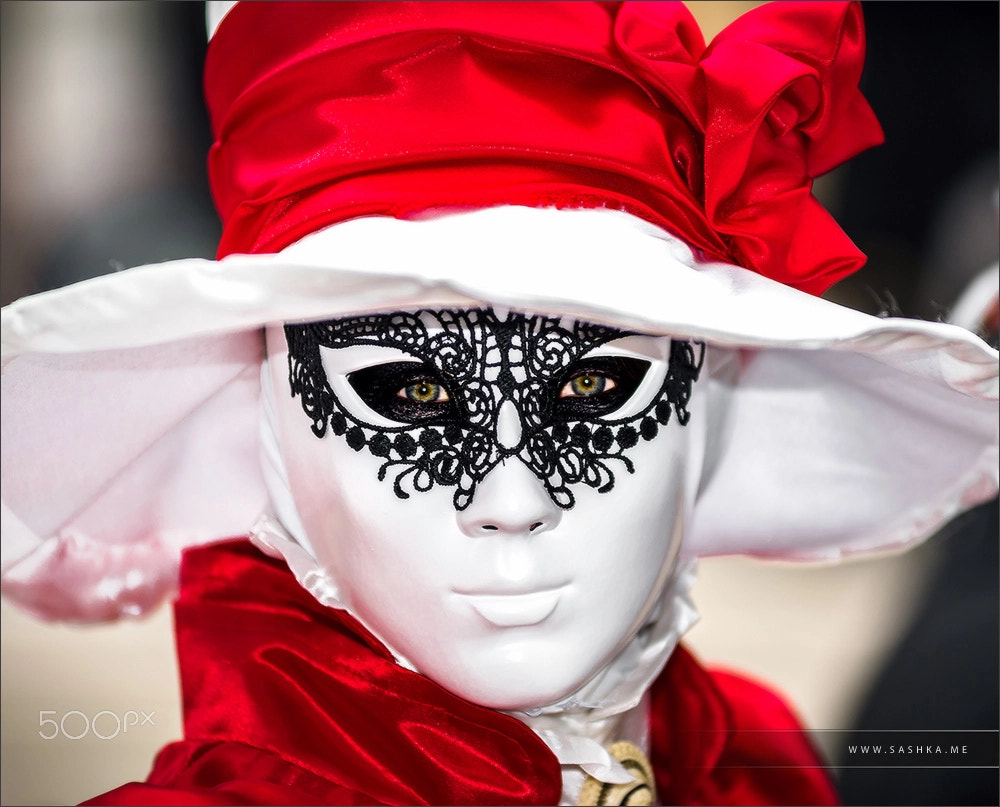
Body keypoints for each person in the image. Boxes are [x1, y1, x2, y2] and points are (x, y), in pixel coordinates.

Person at [1, 3, 996, 806]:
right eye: (408, 391)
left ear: (711, 411)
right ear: (264, 433)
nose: (512, 497)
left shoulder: (759, 766)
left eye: (596, 386)